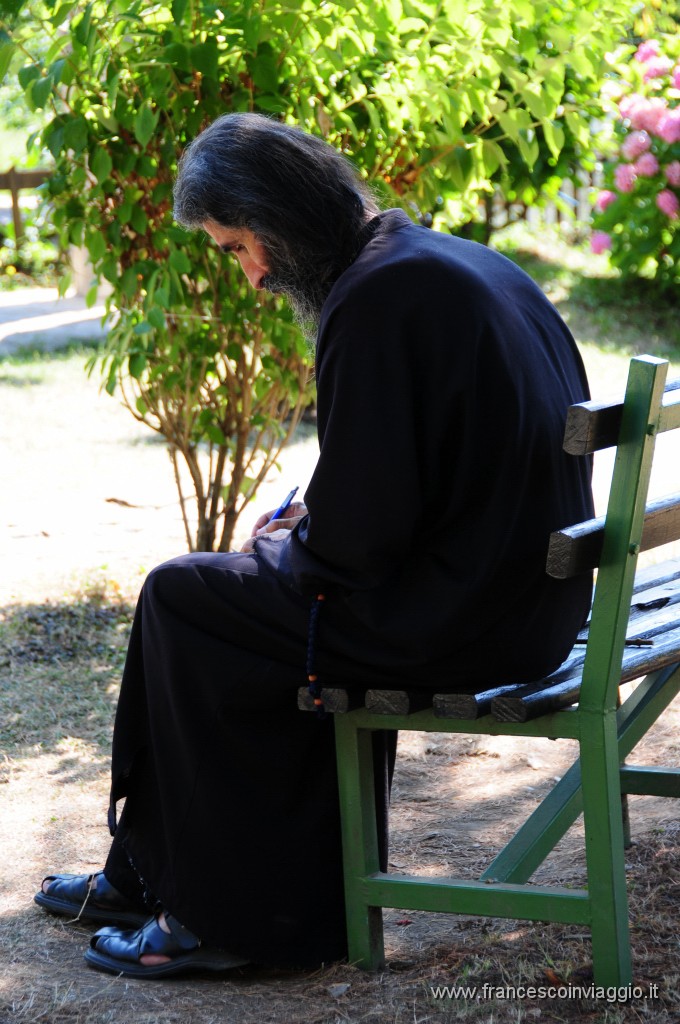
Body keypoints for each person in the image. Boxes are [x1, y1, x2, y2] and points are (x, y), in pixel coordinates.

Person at [35, 113, 594, 979]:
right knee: (211, 596)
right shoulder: (453, 261)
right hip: (524, 600)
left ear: (278, 217)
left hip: (470, 618)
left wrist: (284, 545)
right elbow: (421, 481)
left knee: (183, 596)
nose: (253, 276)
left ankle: (226, 920)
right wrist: (305, 532)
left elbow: (356, 549)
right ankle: (145, 874)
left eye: (238, 247)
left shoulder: (375, 298)